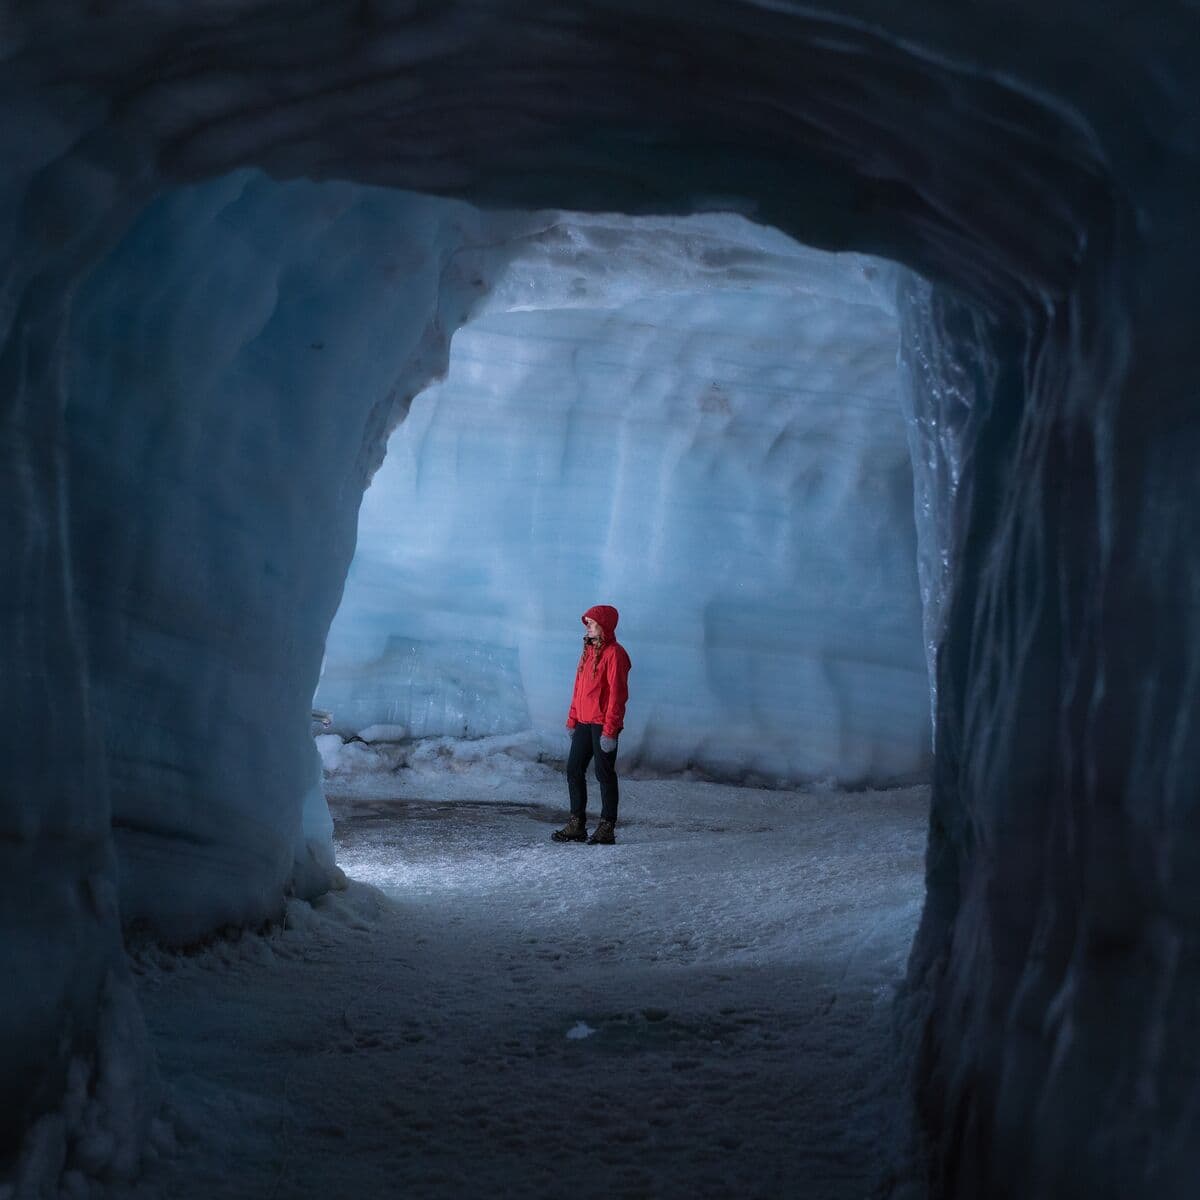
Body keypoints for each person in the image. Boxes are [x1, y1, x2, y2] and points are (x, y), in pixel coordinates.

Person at [552, 604, 632, 845]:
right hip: (584, 722)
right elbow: (578, 689)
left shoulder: (615, 654)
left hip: (602, 724)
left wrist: (610, 731)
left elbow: (618, 695)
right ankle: (577, 823)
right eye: (587, 623)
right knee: (573, 769)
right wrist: (572, 719)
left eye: (592, 623)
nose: (588, 627)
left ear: (604, 626)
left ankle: (607, 826)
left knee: (603, 773)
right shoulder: (588, 651)